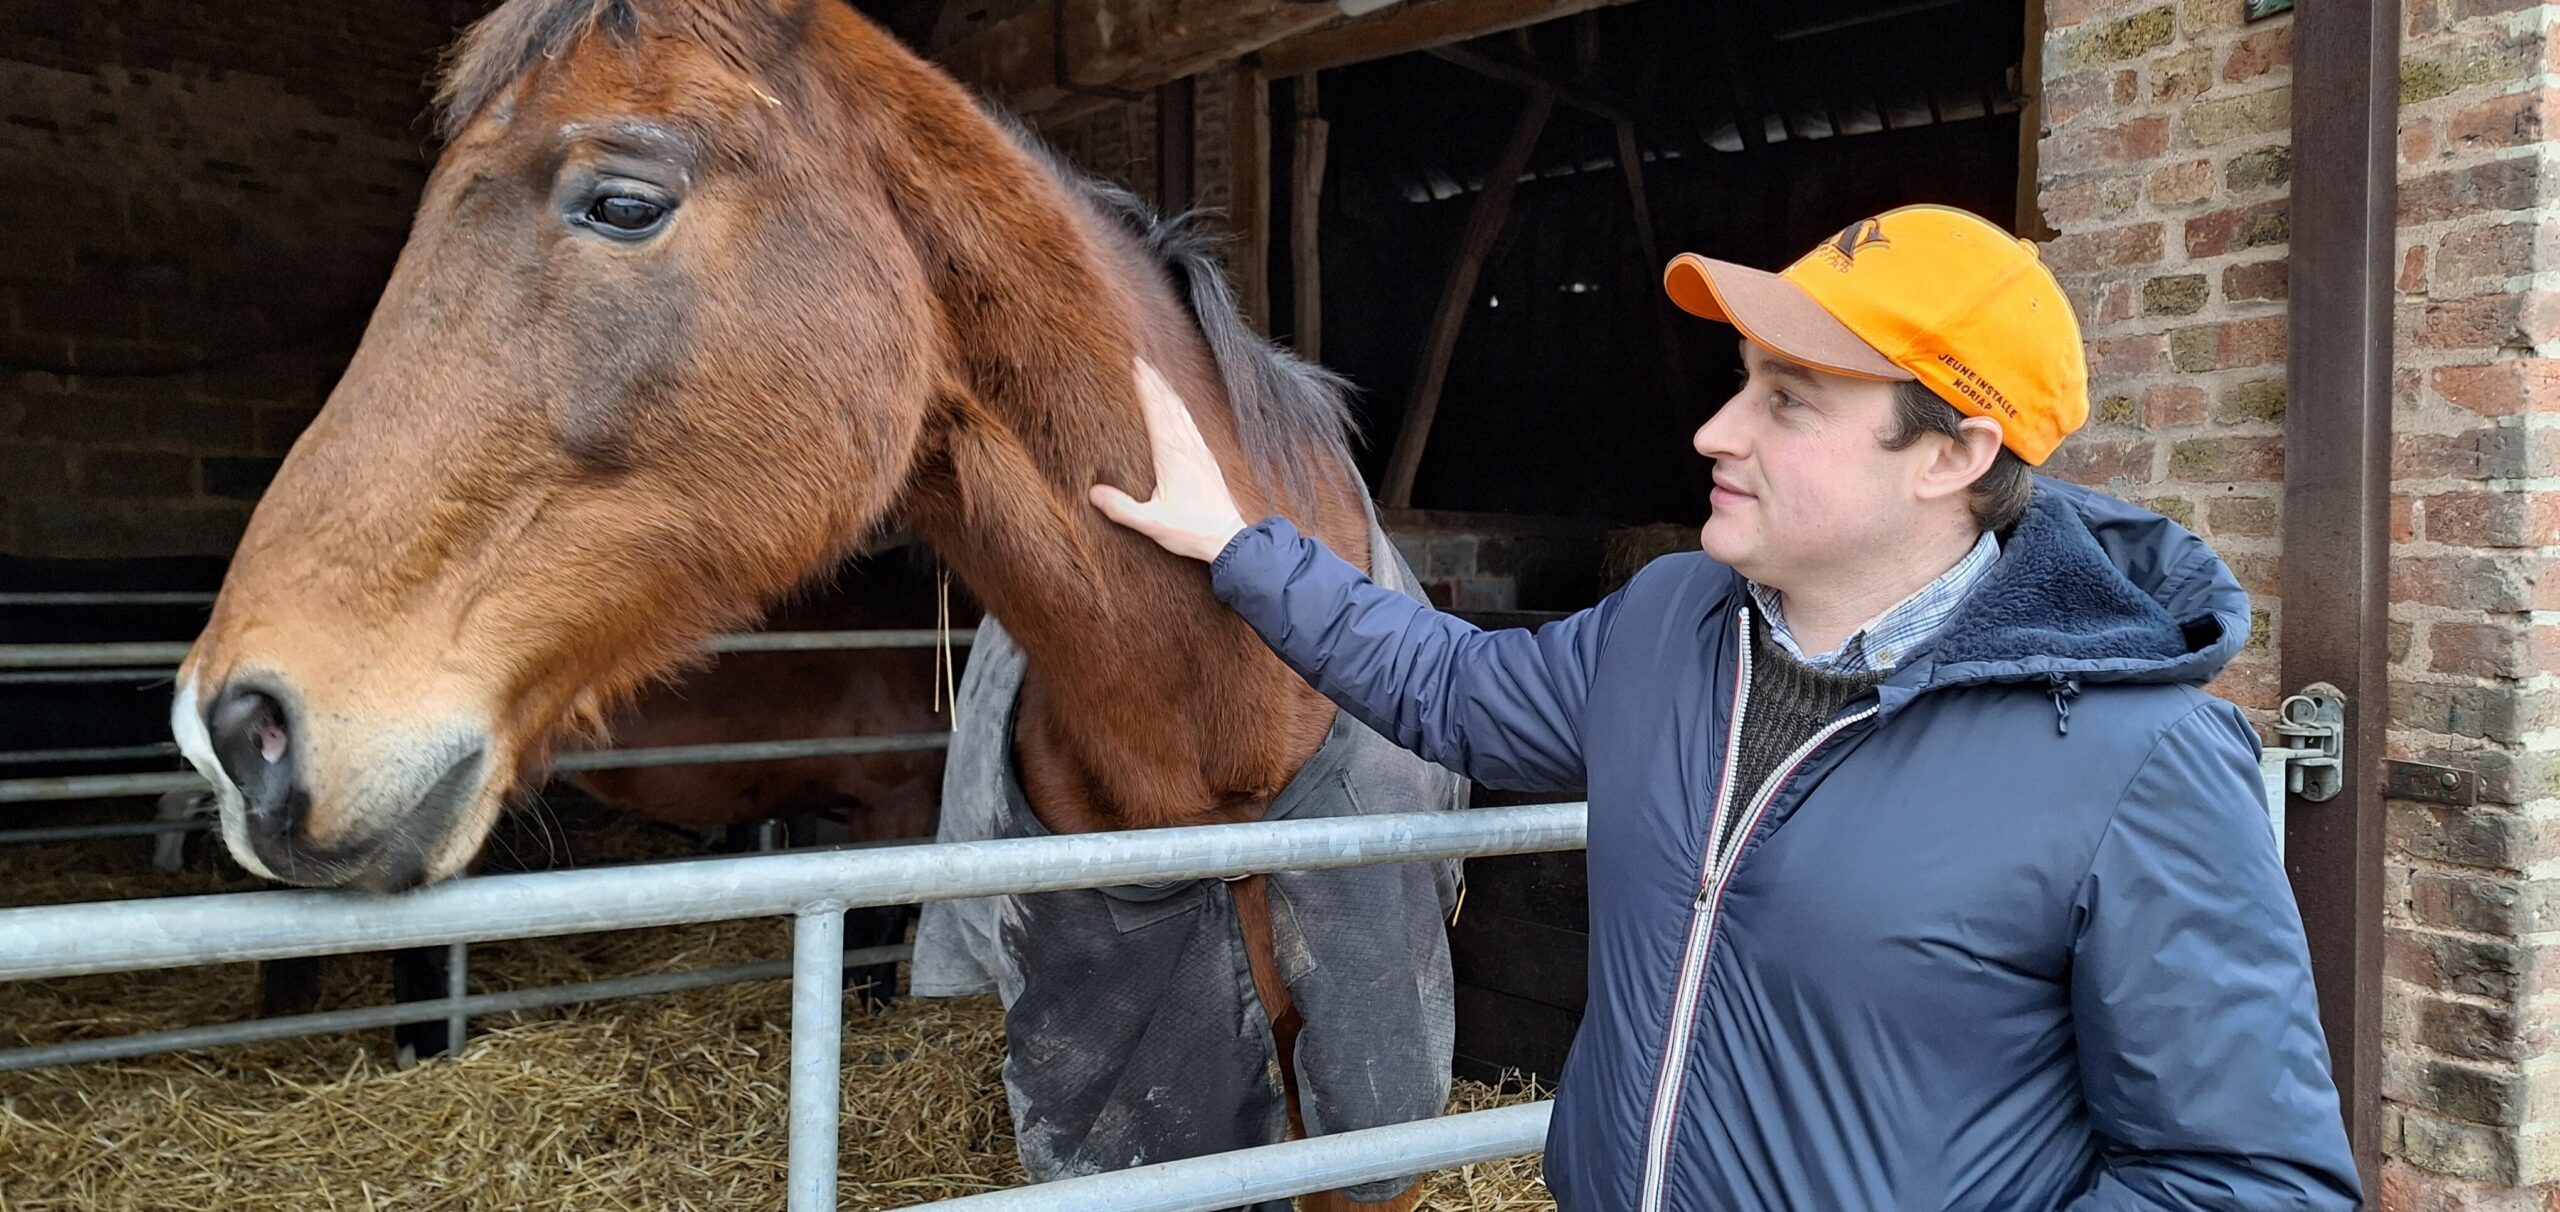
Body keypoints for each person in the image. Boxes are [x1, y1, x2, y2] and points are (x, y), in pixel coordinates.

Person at [1088, 204, 2361, 1210]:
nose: (1713, 430)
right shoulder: (1670, 622)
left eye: (1788, 401)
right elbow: (1451, 685)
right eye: (1743, 379)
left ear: (1955, 455)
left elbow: (2249, 1181)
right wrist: (1239, 544)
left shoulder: (2137, 754)